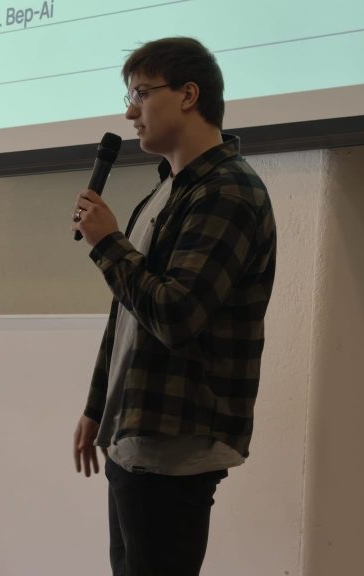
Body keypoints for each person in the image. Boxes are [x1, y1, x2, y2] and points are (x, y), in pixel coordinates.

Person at [70, 37, 277, 575]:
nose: (130, 112)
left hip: (174, 442)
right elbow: (127, 315)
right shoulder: (167, 191)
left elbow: (176, 315)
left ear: (188, 95)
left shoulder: (228, 192)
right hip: (134, 434)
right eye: (129, 97)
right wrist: (97, 406)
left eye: (141, 93)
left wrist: (107, 243)